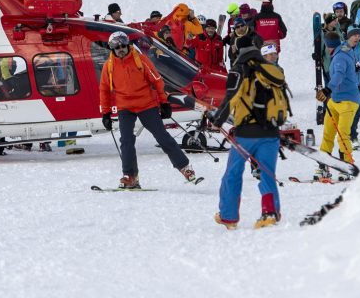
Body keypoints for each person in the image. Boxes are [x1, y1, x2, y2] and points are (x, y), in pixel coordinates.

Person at [99, 32, 199, 189]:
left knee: (162, 136)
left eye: (123, 46)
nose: (120, 49)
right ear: (112, 48)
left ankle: (185, 168)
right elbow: (104, 90)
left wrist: (164, 103)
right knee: (126, 141)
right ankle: (130, 176)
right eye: (117, 47)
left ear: (127, 45)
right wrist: (105, 113)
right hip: (125, 106)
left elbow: (157, 80)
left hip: (146, 104)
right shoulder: (109, 66)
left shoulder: (140, 59)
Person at [208, 40, 291, 229]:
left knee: (233, 173)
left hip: (246, 134)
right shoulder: (272, 72)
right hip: (271, 133)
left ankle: (228, 217)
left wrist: (217, 121)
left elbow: (232, 97)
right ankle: (269, 213)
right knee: (267, 173)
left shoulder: (241, 71)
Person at [314, 27, 360, 180]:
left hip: (348, 101)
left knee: (342, 135)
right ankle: (323, 166)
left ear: (328, 45)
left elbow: (339, 75)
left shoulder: (340, 56)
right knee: (328, 134)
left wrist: (327, 90)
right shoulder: (343, 50)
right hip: (335, 100)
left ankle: (346, 167)